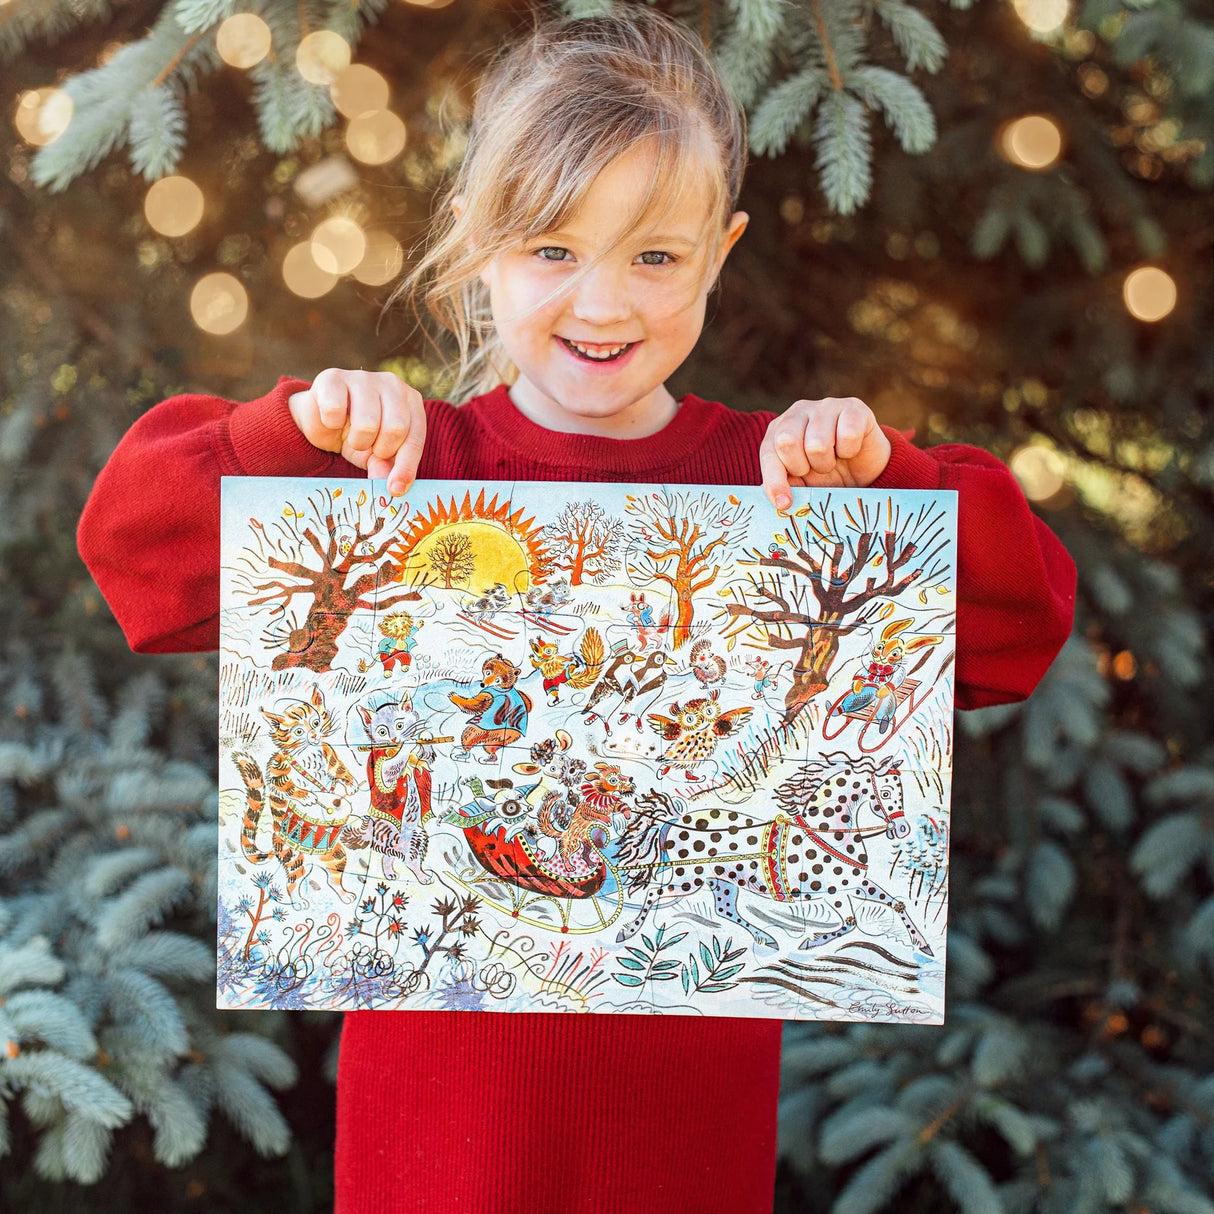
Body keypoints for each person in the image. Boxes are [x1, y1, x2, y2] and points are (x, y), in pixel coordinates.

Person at [77, 9, 1076, 1213]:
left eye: (655, 256)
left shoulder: (781, 487)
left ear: (719, 253)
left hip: (678, 1160)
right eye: (551, 248)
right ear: (477, 243)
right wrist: (294, 429)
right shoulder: (401, 469)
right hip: (433, 1159)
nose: (602, 302)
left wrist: (886, 477)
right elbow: (134, 547)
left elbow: (1023, 621)